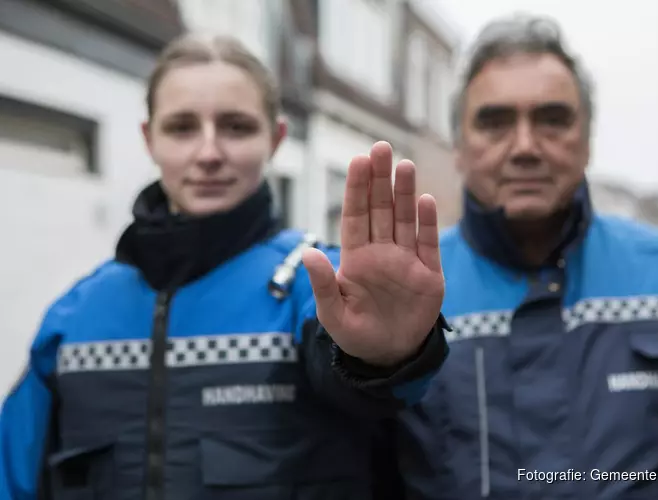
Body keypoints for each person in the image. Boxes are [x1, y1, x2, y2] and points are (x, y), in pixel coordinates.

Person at [0, 33, 449, 500]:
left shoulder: (320, 286)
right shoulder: (72, 319)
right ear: (149, 139)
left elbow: (378, 395)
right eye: (181, 127)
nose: (209, 153)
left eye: (236, 127)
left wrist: (385, 358)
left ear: (275, 139)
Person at [391, 14, 658, 500]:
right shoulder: (400, 298)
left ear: (588, 140)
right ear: (458, 147)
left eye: (552, 119)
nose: (524, 147)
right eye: (495, 122)